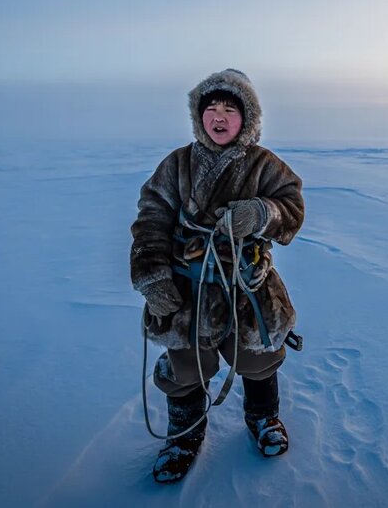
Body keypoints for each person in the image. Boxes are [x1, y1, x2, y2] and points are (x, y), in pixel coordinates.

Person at [130, 68, 304, 483]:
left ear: (248, 118)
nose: (219, 116)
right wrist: (153, 278)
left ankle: (263, 417)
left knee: (258, 359)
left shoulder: (265, 164)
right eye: (211, 108)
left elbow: (292, 208)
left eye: (230, 108)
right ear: (198, 115)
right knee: (186, 367)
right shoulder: (177, 164)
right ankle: (184, 436)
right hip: (186, 289)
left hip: (248, 287)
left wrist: (261, 213)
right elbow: (151, 218)